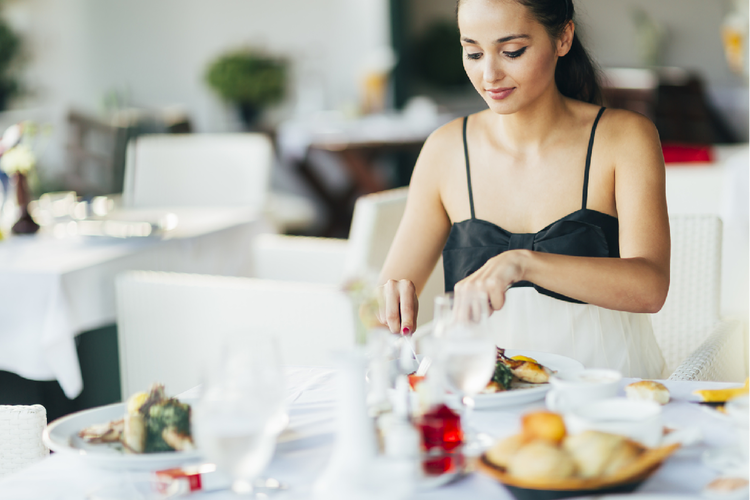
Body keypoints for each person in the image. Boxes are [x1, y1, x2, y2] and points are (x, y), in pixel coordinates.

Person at [377, 0, 668, 378]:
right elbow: (391, 293)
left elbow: (650, 289)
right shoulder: (446, 150)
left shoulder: (624, 138)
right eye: (473, 53)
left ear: (563, 37)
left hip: (607, 388)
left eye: (512, 51)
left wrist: (523, 263)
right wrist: (389, 300)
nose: (490, 73)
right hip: (485, 388)